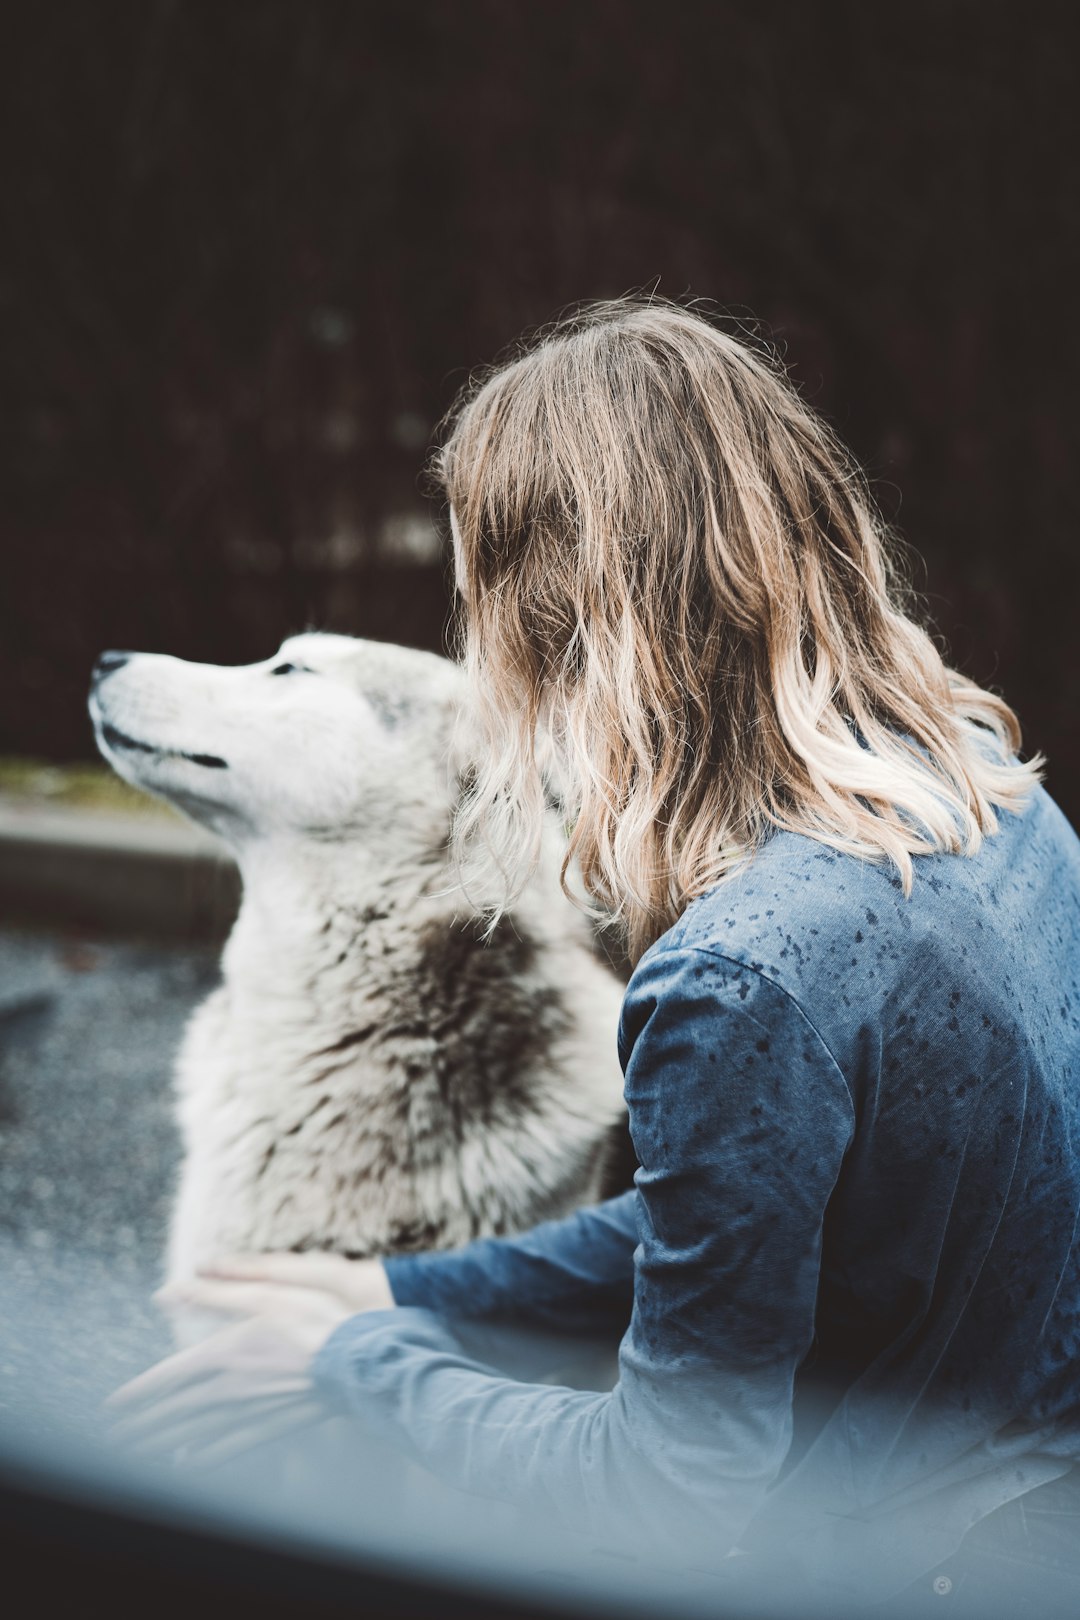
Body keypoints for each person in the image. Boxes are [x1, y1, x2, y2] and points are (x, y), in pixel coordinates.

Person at [112, 300, 1080, 1612]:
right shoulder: (982, 784)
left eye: (481, 609)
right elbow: (748, 1210)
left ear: (560, 625)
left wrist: (360, 1363)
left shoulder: (735, 983)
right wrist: (405, 1288)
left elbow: (671, 1487)